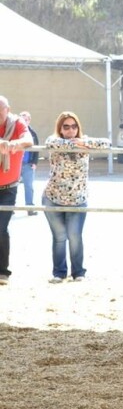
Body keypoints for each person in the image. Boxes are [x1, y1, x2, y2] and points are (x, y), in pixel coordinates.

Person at [43, 112, 110, 283]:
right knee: (59, 237)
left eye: (74, 126)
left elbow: (107, 143)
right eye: (66, 126)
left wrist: (84, 143)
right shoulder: (54, 140)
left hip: (78, 199)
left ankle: (79, 273)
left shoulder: (85, 141)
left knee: (75, 236)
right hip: (54, 197)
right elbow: (49, 142)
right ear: (60, 128)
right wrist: (75, 144)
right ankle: (59, 273)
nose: (71, 130)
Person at [0, 96, 33, 285]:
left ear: (8, 109)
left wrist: (14, 144)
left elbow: (28, 139)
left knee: (1, 229)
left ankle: (3, 271)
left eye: (0, 110)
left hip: (8, 187)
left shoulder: (17, 123)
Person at [18, 111, 39, 215]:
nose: (24, 121)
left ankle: (30, 208)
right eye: (22, 119)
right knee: (11, 187)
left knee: (29, 186)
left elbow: (37, 149)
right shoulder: (14, 132)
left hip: (28, 164)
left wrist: (34, 162)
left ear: (29, 120)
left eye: (26, 119)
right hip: (16, 164)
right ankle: (10, 209)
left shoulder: (33, 133)